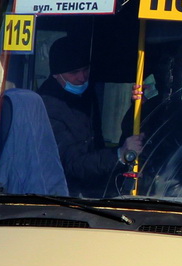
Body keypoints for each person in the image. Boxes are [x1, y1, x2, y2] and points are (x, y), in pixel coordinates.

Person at [38, 36, 144, 197]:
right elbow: (72, 163)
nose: (82, 77)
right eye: (74, 72)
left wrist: (136, 101)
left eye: (85, 69)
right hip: (64, 196)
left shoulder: (85, 92)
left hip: (94, 188)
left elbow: (96, 145)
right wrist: (119, 155)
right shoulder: (46, 107)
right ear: (56, 74)